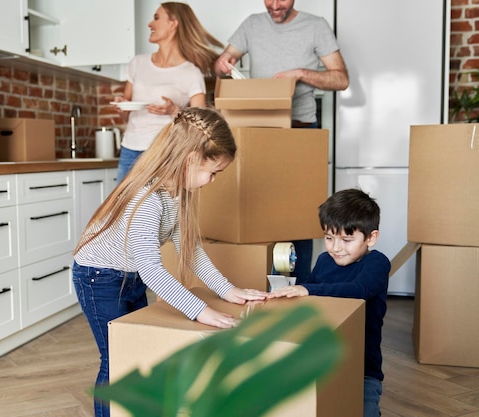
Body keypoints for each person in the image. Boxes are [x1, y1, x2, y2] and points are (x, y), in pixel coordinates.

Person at [73, 107, 270, 417]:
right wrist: (200, 310)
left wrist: (228, 291)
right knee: (116, 359)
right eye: (213, 171)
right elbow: (152, 268)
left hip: (130, 276)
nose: (214, 180)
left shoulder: (177, 193)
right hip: (98, 279)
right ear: (190, 159)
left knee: (137, 351)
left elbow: (190, 251)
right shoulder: (147, 199)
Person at [214, 0, 350, 281]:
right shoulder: (252, 24)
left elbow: (340, 79)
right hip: (257, 130)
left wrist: (300, 73)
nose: (275, 5)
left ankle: (298, 286)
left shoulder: (315, 26)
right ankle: (260, 283)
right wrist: (222, 63)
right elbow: (220, 65)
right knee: (259, 208)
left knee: (297, 216)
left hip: (299, 129)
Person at [267, 188, 390, 417]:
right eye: (329, 238)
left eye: (346, 239)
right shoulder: (324, 260)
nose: (336, 247)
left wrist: (308, 288)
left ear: (371, 237)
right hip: (324, 360)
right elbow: (311, 299)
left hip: (362, 369)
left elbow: (359, 291)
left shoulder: (377, 264)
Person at [113, 2, 223, 182]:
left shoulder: (191, 73)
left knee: (159, 207)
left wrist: (174, 111)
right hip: (130, 149)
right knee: (122, 208)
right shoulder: (137, 64)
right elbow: (126, 117)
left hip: (165, 152)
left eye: (156, 18)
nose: (150, 24)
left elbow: (201, 126)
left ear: (173, 24)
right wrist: (123, 109)